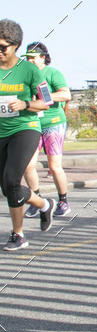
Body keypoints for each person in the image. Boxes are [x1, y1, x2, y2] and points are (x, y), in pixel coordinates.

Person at [0, 20, 56, 251]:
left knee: (12, 180)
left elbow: (47, 101)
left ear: (16, 46)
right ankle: (44, 204)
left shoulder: (29, 70)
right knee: (7, 188)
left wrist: (24, 103)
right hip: (1, 131)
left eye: (3, 47)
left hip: (25, 129)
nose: (0, 51)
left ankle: (18, 235)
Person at [23, 42, 72, 217]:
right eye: (27, 58)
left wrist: (46, 96)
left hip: (54, 123)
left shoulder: (52, 73)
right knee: (28, 165)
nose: (29, 61)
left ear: (43, 57)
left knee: (54, 165)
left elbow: (66, 94)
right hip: (32, 124)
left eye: (32, 58)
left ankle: (63, 200)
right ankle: (37, 200)